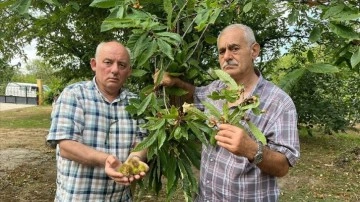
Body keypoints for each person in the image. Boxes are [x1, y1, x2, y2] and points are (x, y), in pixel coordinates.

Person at [155, 24, 300, 201]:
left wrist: (252, 149)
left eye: (234, 48)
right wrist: (175, 83)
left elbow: (283, 166)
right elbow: (195, 95)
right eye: (221, 51)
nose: (227, 57)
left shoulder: (279, 102)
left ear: (254, 51)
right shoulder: (217, 89)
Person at [47, 41, 148, 201]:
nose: (115, 70)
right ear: (94, 64)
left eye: (122, 65)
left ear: (129, 71)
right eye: (108, 62)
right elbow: (66, 145)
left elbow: (141, 144)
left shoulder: (136, 103)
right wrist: (106, 160)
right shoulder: (74, 95)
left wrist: (134, 161)